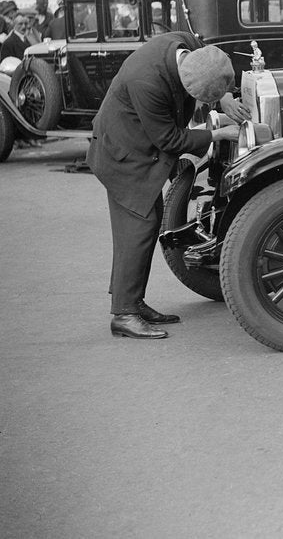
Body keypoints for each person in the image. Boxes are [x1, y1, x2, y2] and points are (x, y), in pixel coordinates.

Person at [87, 32, 242, 340]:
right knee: (140, 227)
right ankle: (125, 314)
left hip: (132, 142)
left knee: (147, 223)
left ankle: (132, 302)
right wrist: (218, 135)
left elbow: (207, 65)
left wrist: (223, 93)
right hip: (122, 152)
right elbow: (169, 139)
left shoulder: (189, 48)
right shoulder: (147, 82)